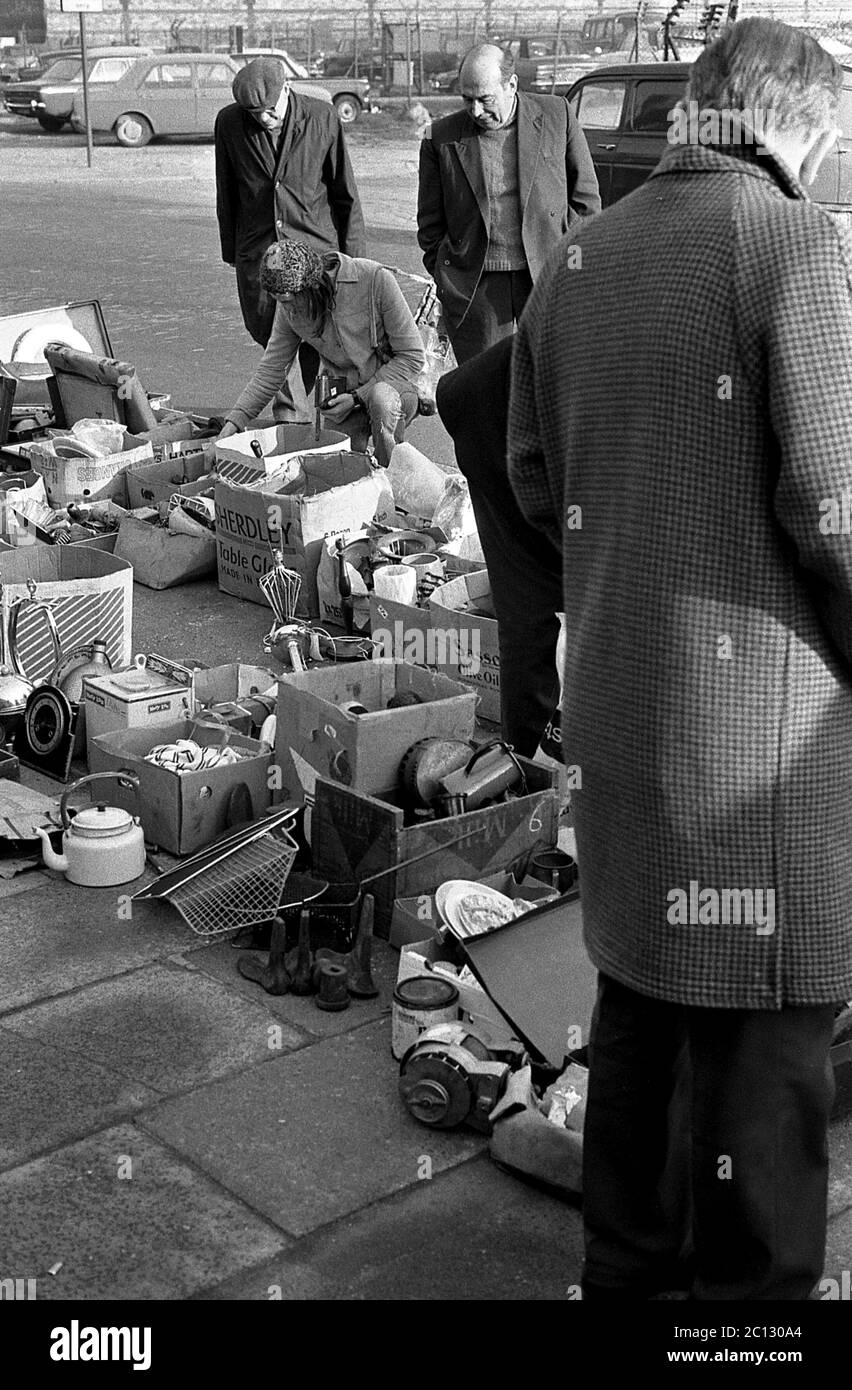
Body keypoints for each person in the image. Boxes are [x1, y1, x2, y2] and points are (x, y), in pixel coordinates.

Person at [507, 17, 852, 1300]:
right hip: (760, 741)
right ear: (793, 121)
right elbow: (834, 506)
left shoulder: (578, 258)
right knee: (765, 1063)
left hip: (621, 705)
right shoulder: (791, 243)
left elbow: (532, 476)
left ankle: (629, 1276)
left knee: (642, 1009)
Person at [416, 42, 600, 365]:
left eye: (485, 99)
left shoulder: (557, 116)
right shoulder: (440, 139)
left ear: (511, 85)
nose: (475, 111)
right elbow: (430, 226)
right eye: (466, 99)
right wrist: (450, 277)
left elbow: (586, 204)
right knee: (487, 396)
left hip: (548, 280)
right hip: (477, 292)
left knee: (550, 384)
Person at [215, 57, 366, 420]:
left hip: (317, 251)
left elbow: (345, 192)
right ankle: (290, 423)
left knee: (326, 339)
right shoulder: (229, 123)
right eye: (254, 114)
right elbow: (227, 191)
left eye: (270, 111)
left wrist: (355, 259)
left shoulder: (322, 118)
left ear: (287, 88)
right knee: (274, 340)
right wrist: (235, 253)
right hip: (261, 255)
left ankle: (332, 419)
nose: (264, 120)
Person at [436, 336, 562, 758]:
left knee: (530, 610)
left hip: (490, 402)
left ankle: (527, 765)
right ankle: (531, 764)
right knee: (531, 609)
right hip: (496, 416)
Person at [218, 239, 425, 469]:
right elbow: (271, 370)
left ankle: (391, 479)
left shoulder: (375, 280)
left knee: (381, 399)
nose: (288, 310)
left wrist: (358, 396)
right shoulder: (288, 305)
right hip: (342, 400)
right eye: (279, 301)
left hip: (394, 389)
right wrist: (232, 425)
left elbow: (412, 356)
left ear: (312, 285)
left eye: (287, 300)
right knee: (337, 470)